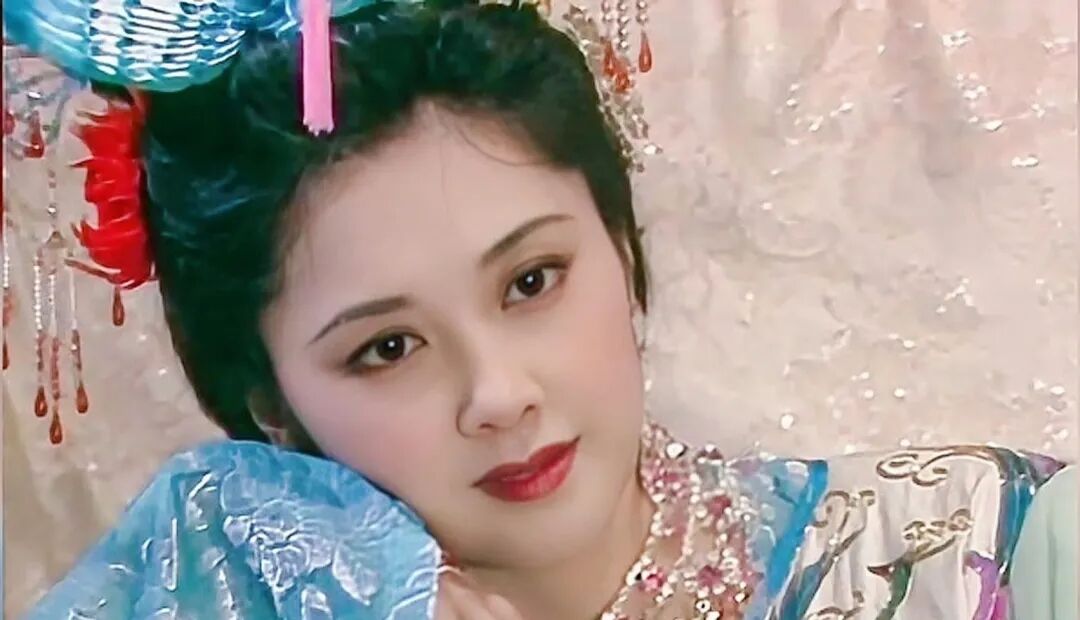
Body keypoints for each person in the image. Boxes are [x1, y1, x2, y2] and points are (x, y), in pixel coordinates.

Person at [5, 0, 1074, 618]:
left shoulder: (984, 549)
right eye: (388, 347)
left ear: (620, 244)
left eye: (531, 281)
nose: (499, 394)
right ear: (272, 410)